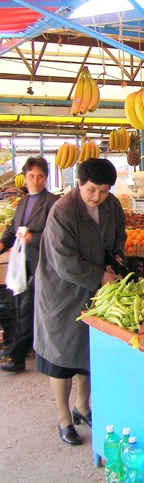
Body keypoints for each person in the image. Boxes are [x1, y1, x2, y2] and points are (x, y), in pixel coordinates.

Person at [33, 158, 126, 446]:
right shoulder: (63, 211)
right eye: (92, 190)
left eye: (104, 190)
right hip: (61, 292)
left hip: (96, 289)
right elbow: (64, 261)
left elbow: (118, 236)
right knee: (61, 358)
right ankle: (64, 419)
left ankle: (82, 407)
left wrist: (117, 258)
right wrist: (100, 276)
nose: (97, 197)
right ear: (79, 184)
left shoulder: (112, 206)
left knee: (89, 352)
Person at [0, 157, 59, 373]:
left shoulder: (52, 203)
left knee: (28, 308)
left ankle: (16, 356)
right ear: (24, 178)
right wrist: (3, 242)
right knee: (22, 307)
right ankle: (22, 351)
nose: (35, 180)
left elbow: (57, 236)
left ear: (45, 178)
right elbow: (13, 229)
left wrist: (33, 238)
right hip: (21, 262)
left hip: (42, 262)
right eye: (31, 176)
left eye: (40, 176)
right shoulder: (23, 202)